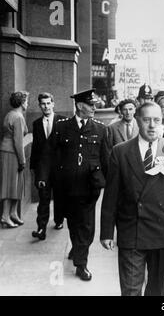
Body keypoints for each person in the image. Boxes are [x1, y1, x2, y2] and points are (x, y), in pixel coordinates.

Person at [100, 102, 164, 296]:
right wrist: (107, 232)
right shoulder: (121, 151)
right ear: (137, 121)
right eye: (146, 120)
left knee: (157, 291)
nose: (152, 125)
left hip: (162, 232)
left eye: (157, 120)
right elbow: (111, 195)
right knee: (131, 290)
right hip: (131, 231)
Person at [39, 89, 108, 281]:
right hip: (66, 187)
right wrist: (43, 176)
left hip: (89, 187)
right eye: (91, 105)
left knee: (86, 225)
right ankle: (77, 247)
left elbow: (106, 159)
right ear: (79, 106)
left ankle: (81, 263)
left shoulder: (100, 129)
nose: (95, 108)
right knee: (73, 222)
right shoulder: (62, 127)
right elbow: (48, 154)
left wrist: (107, 183)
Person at [31, 93, 66, 240]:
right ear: (39, 106)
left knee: (59, 197)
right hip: (43, 169)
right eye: (43, 104)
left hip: (59, 168)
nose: (46, 106)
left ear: (53, 104)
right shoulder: (36, 124)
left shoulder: (63, 121)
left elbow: (66, 146)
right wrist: (34, 169)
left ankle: (58, 220)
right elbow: (36, 148)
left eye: (48, 103)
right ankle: (41, 228)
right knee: (43, 198)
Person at [0, 91, 29, 228]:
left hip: (7, 151)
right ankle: (5, 216)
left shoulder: (10, 115)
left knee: (16, 184)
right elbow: (18, 142)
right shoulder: (18, 117)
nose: (27, 103)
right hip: (12, 153)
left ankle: (13, 213)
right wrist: (22, 160)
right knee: (11, 185)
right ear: (22, 103)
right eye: (26, 101)